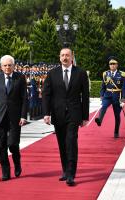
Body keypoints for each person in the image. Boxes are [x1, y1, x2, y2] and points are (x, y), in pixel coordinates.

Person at [42, 48, 89, 186]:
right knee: (62, 143)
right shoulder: (52, 74)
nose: (65, 57)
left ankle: (71, 174)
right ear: (59, 57)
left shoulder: (80, 73)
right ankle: (65, 170)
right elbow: (46, 94)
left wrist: (85, 116)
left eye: (67, 55)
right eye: (62, 55)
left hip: (74, 114)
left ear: (72, 56)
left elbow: (85, 96)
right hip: (58, 114)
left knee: (71, 142)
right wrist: (46, 113)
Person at [0, 55, 27, 182]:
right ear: (1, 66)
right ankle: (5, 172)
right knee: (1, 146)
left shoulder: (20, 78)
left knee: (12, 144)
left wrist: (23, 116)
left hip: (15, 117)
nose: (7, 67)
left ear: (13, 66)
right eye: (5, 65)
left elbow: (24, 99)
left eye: (9, 65)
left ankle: (17, 162)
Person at [95, 57, 125, 138]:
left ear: (117, 65)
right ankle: (99, 119)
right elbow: (103, 86)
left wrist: (123, 100)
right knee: (103, 106)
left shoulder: (122, 75)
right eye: (110, 64)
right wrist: (102, 95)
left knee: (117, 115)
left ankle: (116, 132)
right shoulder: (105, 74)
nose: (112, 65)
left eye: (114, 64)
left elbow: (124, 88)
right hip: (108, 95)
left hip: (117, 96)